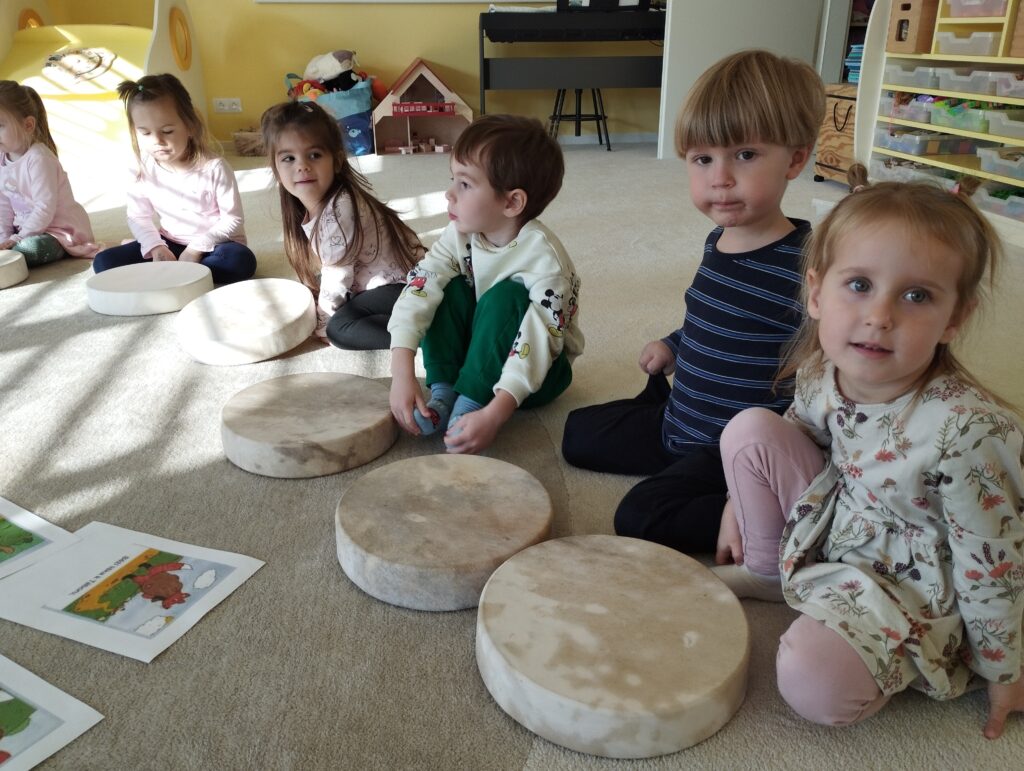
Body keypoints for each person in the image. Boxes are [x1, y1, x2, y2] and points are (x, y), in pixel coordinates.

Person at [714, 165, 1024, 736]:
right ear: (816, 293)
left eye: (916, 295)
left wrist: (1004, 670)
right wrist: (738, 502)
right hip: (838, 517)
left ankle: (868, 652)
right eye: (859, 285)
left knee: (813, 681)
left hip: (913, 580)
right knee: (748, 429)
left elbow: (992, 562)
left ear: (954, 318)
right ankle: (767, 572)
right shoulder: (823, 369)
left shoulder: (971, 433)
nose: (880, 317)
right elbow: (798, 432)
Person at [561, 50, 825, 553]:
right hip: (679, 419)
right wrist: (673, 345)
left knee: (639, 516)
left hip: (727, 451)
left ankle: (766, 516)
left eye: (744, 155)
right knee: (578, 433)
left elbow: (820, 378)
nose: (719, 178)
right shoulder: (717, 239)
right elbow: (711, 317)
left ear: (795, 159)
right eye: (703, 159)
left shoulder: (808, 265)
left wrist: (763, 471)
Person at [388, 114, 583, 455]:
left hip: (536, 374)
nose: (449, 193)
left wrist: (494, 413)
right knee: (443, 286)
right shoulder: (460, 233)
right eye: (453, 179)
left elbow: (540, 341)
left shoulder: (544, 260)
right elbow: (420, 287)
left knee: (505, 296)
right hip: (482, 350)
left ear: (512, 202)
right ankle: (446, 391)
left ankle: (469, 402)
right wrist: (401, 372)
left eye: (465, 184)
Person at [261, 100, 424, 347]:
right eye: (289, 158)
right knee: (317, 289)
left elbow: (337, 275)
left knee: (339, 329)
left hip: (404, 286)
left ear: (337, 161)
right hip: (384, 283)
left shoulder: (341, 209)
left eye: (314, 155)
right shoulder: (313, 206)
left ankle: (429, 334)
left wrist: (323, 322)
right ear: (275, 168)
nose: (302, 166)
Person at [92, 74, 255, 284]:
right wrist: (155, 246)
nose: (157, 140)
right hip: (170, 242)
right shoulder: (141, 167)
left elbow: (232, 219)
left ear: (191, 126)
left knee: (240, 262)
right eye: (145, 133)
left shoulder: (215, 168)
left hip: (216, 245)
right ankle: (184, 271)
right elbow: (138, 216)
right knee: (103, 262)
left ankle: (177, 271)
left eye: (167, 131)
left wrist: (195, 249)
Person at [0, 80, 98, 264]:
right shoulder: (2, 159)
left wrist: (18, 239)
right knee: (13, 249)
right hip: (24, 230)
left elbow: (44, 207)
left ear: (28, 125)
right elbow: (3, 206)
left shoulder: (39, 159)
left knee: (29, 249)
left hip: (57, 231)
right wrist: (4, 239)